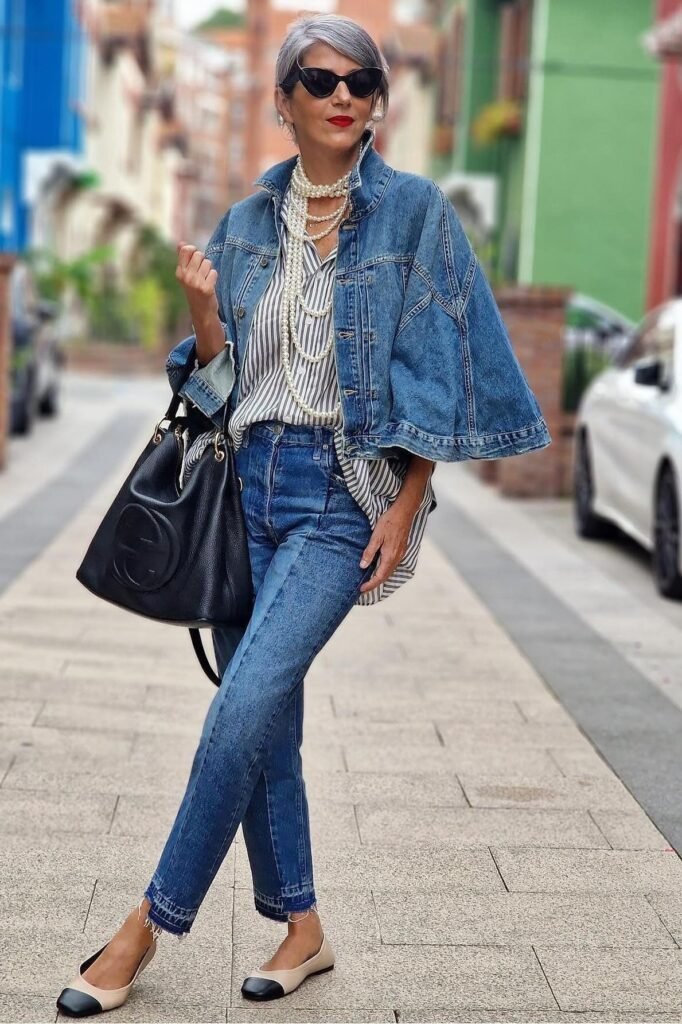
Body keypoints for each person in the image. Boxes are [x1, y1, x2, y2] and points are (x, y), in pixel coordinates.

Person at [56, 12, 551, 1017]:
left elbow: (443, 382)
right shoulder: (245, 226)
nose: (343, 97)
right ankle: (304, 926)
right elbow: (209, 390)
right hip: (242, 490)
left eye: (362, 82)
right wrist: (202, 323)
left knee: (240, 704)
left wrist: (408, 504)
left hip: (337, 494)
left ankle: (148, 923)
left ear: (376, 103)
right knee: (267, 724)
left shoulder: (413, 217)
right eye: (320, 81)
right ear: (284, 102)